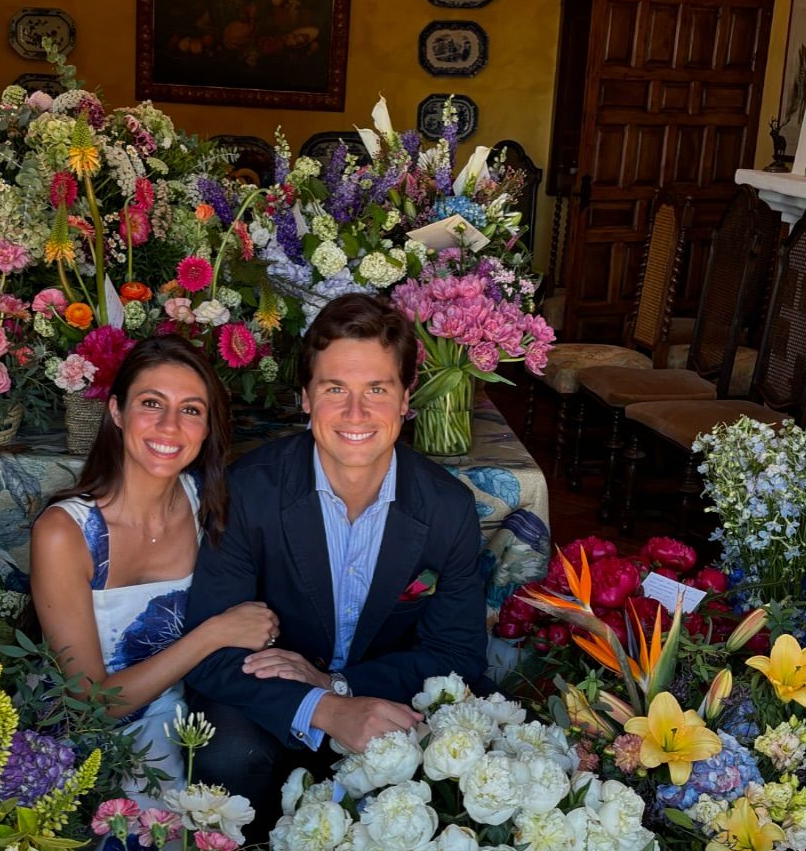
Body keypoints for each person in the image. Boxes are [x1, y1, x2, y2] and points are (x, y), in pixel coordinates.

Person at [183, 292, 488, 819]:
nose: (356, 413)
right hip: (274, 705)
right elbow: (209, 651)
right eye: (334, 389)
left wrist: (338, 686)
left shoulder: (446, 508)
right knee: (227, 753)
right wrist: (323, 707)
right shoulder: (247, 491)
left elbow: (459, 656)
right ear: (305, 397)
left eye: (377, 388)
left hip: (389, 695)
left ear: (405, 397)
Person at [31, 337, 278, 790]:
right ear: (117, 412)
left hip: (197, 711)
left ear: (207, 428)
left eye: (190, 410)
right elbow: (92, 703)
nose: (169, 427)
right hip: (100, 737)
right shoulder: (65, 534)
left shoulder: (207, 502)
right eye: (151, 403)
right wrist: (215, 633)